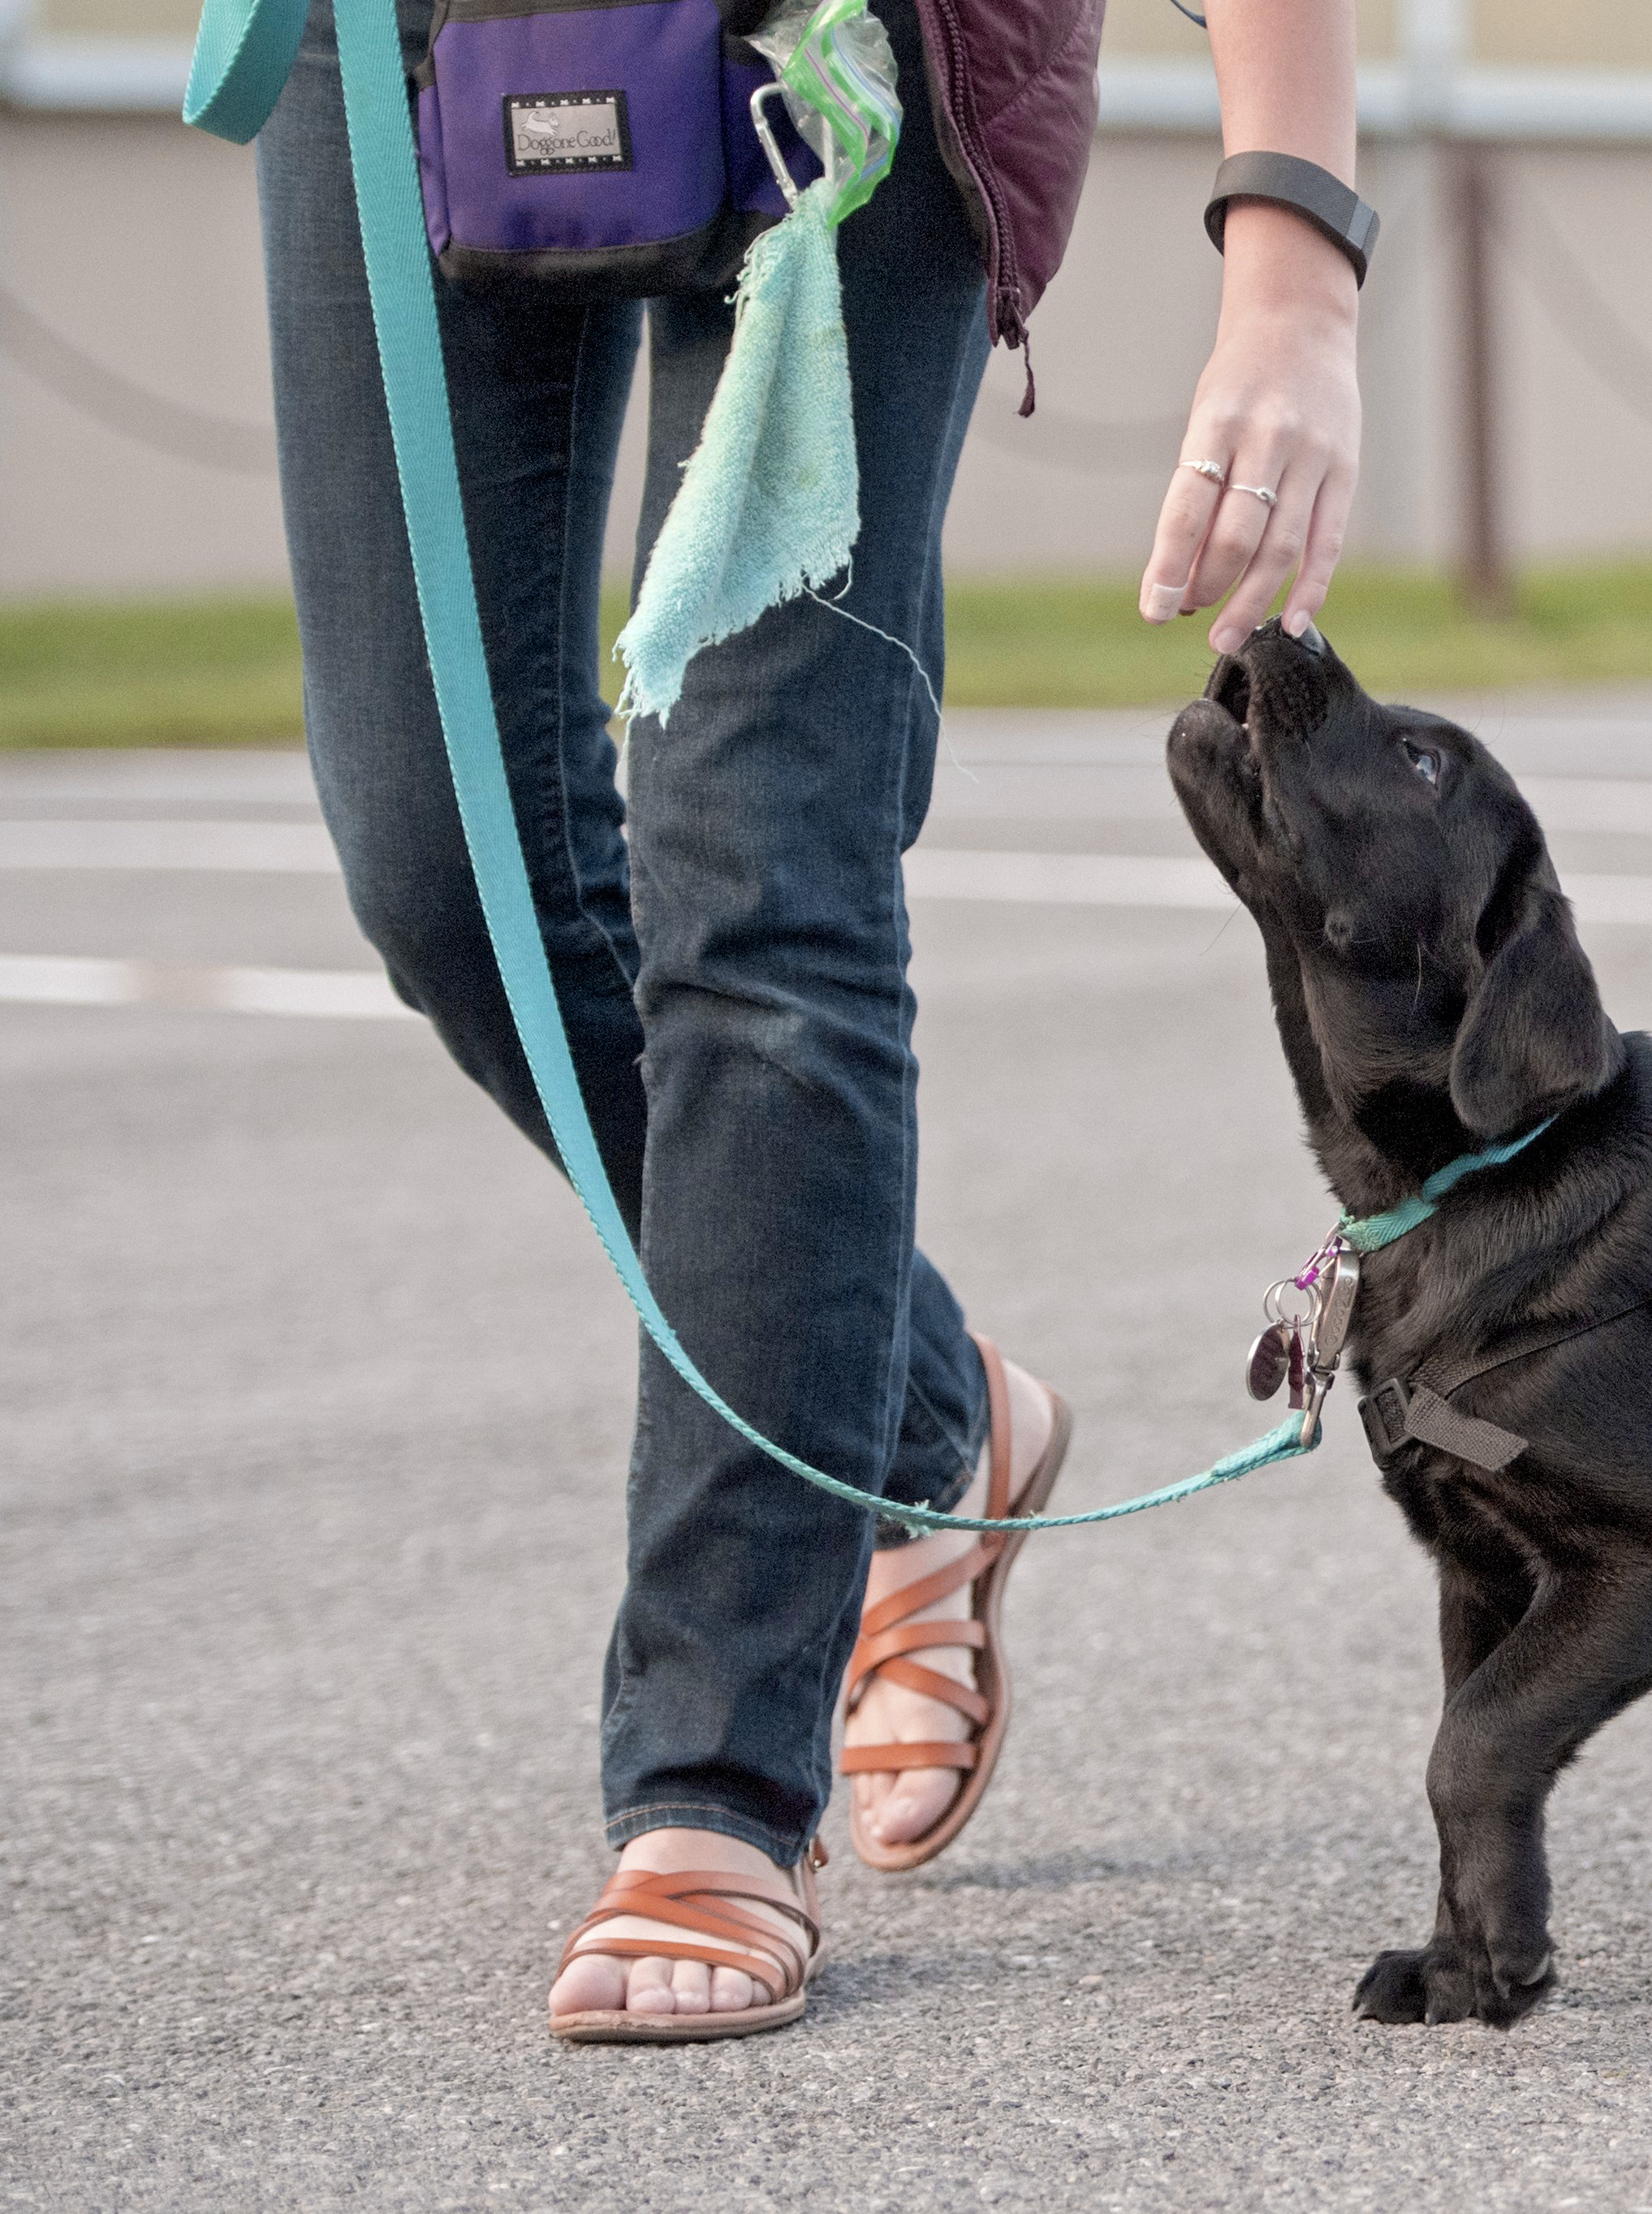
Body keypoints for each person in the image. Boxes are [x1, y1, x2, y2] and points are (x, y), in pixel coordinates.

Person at [252, 0, 1363, 2039]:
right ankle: (927, 1417)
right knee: (446, 867)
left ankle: (710, 1792)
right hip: (399, 34)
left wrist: (1290, 247)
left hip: (846, 48)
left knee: (755, 862)